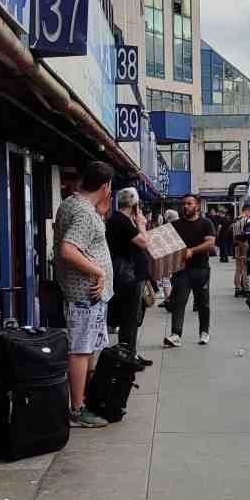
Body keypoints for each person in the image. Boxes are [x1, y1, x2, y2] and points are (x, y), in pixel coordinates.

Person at [54, 162, 115, 429]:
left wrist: (101, 210)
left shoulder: (73, 203)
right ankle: (77, 408)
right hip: (85, 294)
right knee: (80, 350)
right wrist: (99, 272)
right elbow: (68, 249)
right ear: (105, 186)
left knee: (88, 348)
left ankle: (85, 398)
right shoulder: (83, 213)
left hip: (86, 295)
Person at [106, 188, 153, 364]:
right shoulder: (121, 221)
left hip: (132, 275)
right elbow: (144, 242)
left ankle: (130, 353)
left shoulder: (122, 220)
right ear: (134, 204)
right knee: (130, 317)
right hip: (128, 277)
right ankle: (127, 356)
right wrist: (141, 224)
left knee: (133, 317)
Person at [165, 194, 216, 347]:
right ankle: (175, 334)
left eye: (189, 203)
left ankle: (204, 332)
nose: (185, 206)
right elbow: (167, 244)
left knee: (203, 303)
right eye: (184, 204)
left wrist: (192, 251)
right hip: (181, 270)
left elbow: (210, 243)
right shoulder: (176, 225)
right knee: (178, 303)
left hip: (201, 269)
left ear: (197, 206)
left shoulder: (206, 223)